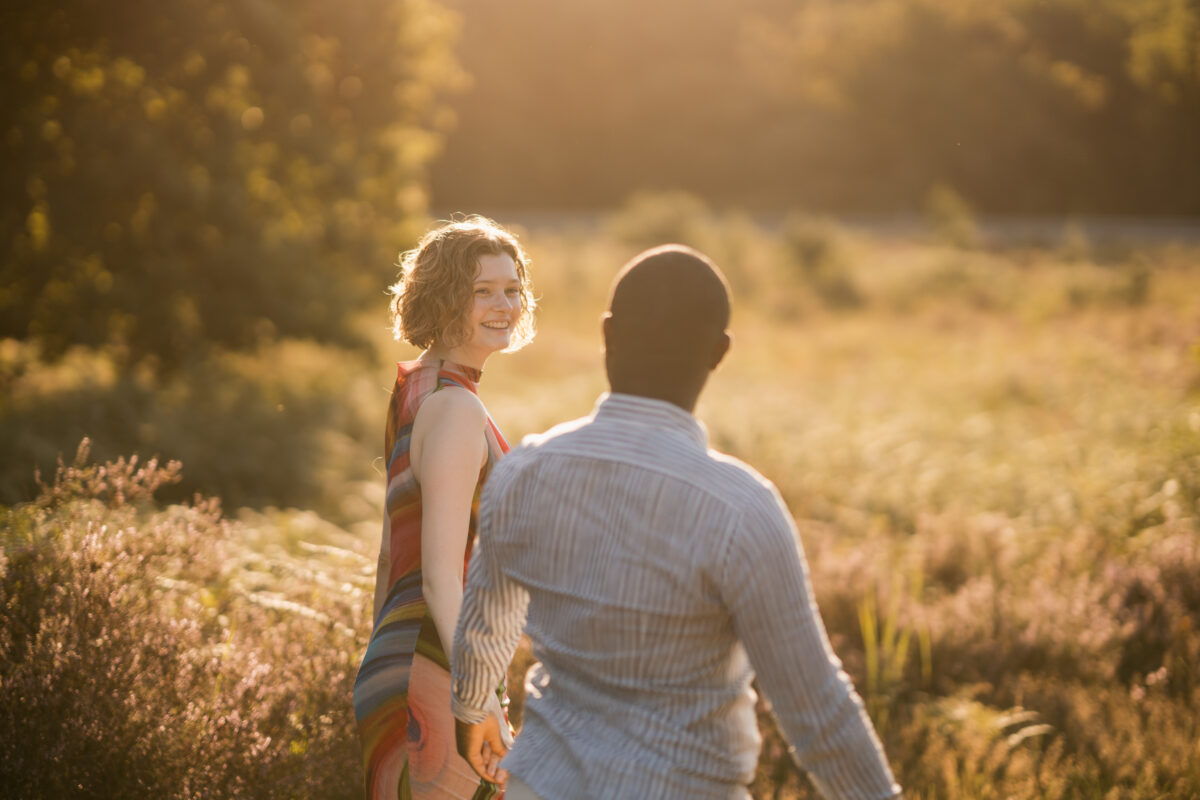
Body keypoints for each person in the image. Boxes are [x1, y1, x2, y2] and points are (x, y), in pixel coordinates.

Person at [450, 245, 902, 800]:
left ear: (607, 334)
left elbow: (485, 626)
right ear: (718, 353)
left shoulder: (524, 472)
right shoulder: (740, 509)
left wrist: (472, 708)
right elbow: (816, 711)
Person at [353, 216, 536, 800]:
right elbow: (439, 577)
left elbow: (390, 556)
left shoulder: (417, 387)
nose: (503, 305)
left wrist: (383, 661)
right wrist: (476, 697)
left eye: (512, 289)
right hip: (439, 666)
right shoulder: (456, 409)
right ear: (444, 296)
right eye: (482, 290)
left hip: (405, 659)